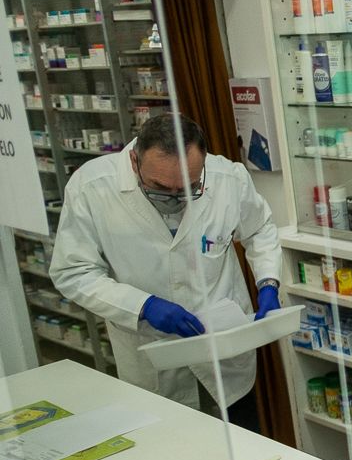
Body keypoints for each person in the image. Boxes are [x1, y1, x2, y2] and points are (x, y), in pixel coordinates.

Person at [49, 114, 282, 424]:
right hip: (152, 360)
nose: (174, 199)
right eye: (160, 188)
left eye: (187, 188)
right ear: (134, 161)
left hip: (225, 360)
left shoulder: (228, 178)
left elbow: (259, 230)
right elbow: (73, 271)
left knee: (245, 454)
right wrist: (142, 306)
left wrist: (268, 282)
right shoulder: (92, 188)